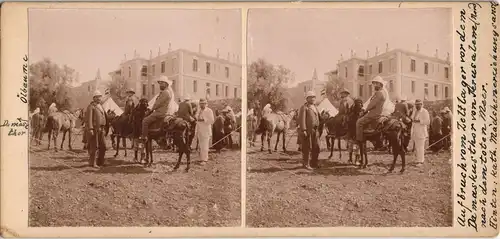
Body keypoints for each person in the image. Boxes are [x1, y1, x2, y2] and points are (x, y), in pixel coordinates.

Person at [356, 76, 387, 142]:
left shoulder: (379, 93)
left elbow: (372, 104)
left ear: (380, 84)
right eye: (374, 83)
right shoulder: (381, 93)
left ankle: (359, 141)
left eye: (376, 83)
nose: (374, 85)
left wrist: (365, 110)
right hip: (376, 113)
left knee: (359, 122)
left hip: (373, 114)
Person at [141, 76, 172, 140]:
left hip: (159, 113)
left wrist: (150, 110)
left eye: (161, 83)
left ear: (166, 84)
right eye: (159, 83)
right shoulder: (167, 92)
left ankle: (144, 137)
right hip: (163, 112)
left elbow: (157, 103)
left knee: (145, 121)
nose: (160, 85)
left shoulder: (165, 93)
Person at [298, 91, 321, 170]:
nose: (313, 98)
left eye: (314, 97)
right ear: (307, 98)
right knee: (307, 147)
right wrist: (304, 129)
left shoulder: (315, 107)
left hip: (316, 130)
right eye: (311, 97)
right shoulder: (304, 107)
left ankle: (314, 163)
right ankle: (306, 164)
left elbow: (319, 117)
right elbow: (302, 119)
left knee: (316, 147)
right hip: (308, 130)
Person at [86, 90, 108, 168]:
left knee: (104, 146)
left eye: (100, 97)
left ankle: (100, 162)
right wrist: (91, 129)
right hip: (95, 129)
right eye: (97, 97)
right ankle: (93, 163)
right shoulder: (91, 106)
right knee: (94, 147)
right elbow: (89, 119)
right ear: (94, 98)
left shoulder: (101, 106)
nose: (99, 98)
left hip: (102, 129)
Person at [411, 99, 430, 166]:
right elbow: (412, 118)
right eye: (416, 105)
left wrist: (419, 121)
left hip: (421, 131)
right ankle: (417, 159)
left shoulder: (425, 111)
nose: (417, 106)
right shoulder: (415, 111)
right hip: (415, 131)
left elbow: (427, 122)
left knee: (421, 147)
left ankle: (420, 161)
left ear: (421, 104)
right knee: (416, 146)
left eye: (419, 104)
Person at [196, 98, 215, 164]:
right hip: (199, 130)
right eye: (200, 104)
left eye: (203, 104)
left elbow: (212, 120)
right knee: (201, 145)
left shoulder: (209, 111)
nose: (202, 105)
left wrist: (204, 120)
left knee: (205, 145)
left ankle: (204, 160)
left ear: (206, 104)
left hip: (206, 130)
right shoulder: (199, 110)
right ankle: (202, 158)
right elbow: (196, 118)